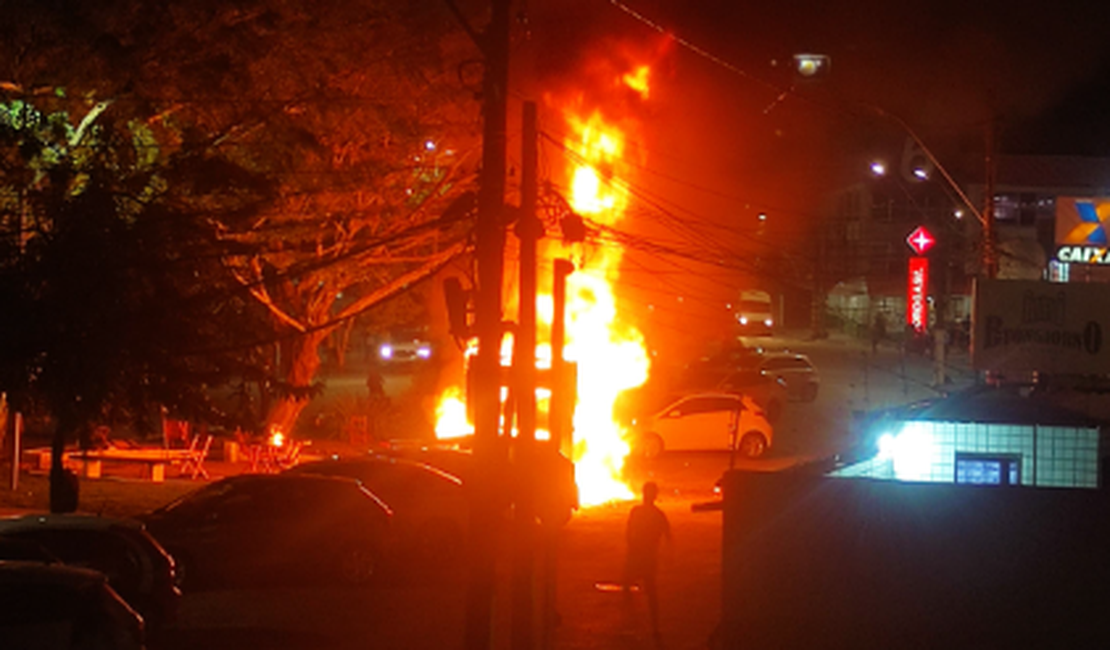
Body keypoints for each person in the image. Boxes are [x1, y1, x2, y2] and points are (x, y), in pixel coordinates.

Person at [624, 481, 671, 644]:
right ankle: (654, 626)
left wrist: (631, 547)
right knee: (651, 592)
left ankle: (629, 621)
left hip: (637, 554)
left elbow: (629, 532)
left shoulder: (636, 512)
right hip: (648, 556)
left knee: (628, 584)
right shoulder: (659, 514)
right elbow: (668, 535)